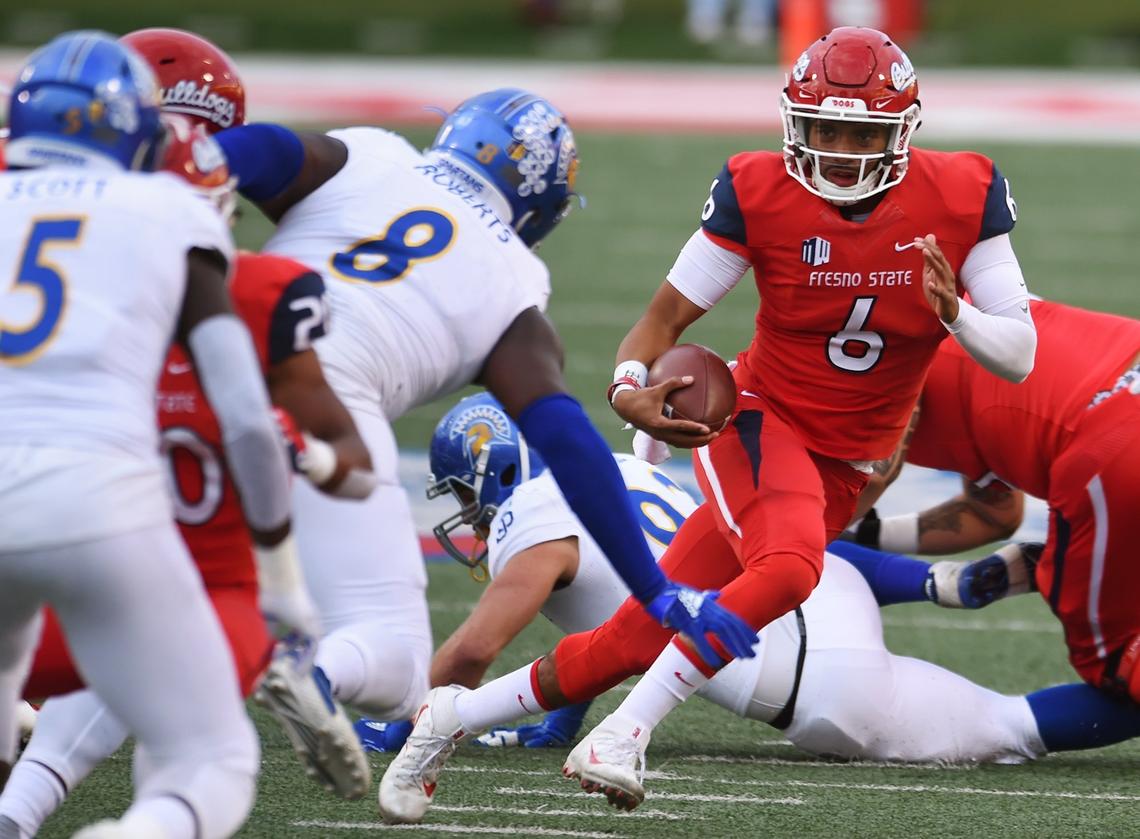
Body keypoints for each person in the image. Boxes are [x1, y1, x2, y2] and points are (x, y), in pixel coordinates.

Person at [391, 25, 1039, 815]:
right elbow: (660, 322)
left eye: (860, 134)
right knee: (792, 568)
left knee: (629, 640)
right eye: (824, 129)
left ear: (901, 131)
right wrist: (628, 388)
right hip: (762, 421)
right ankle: (625, 732)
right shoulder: (759, 189)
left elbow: (1019, 353)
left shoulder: (965, 191)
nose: (838, 151)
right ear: (795, 122)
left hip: (849, 462)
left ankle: (450, 716)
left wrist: (957, 316)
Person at [199, 58, 757, 811]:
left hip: (187, 353)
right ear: (543, 204)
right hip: (321, 408)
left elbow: (265, 148)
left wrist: (182, 171)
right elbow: (569, 442)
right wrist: (655, 592)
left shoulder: (373, 152)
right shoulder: (512, 281)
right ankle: (316, 672)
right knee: (398, 668)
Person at [377, 394, 1121, 768]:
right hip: (818, 584)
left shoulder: (531, 519)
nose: (469, 509)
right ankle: (943, 584)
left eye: (466, 490)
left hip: (814, 679)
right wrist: (560, 720)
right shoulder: (624, 469)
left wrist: (407, 724)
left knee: (1013, 727)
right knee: (781, 549)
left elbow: (473, 652)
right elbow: (613, 611)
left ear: (497, 469)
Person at [0, 116, 375, 837]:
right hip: (173, 568)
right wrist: (287, 580)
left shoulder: (55, 280)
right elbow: (264, 431)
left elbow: (345, 462)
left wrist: (306, 453)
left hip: (70, 550)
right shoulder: (250, 289)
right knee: (207, 752)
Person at [843, 297, 1140, 709]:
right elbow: (991, 514)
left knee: (1112, 661)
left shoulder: (872, 340)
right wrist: (864, 534)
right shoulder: (964, 314)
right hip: (1122, 387)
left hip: (1114, 435)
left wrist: (807, 534)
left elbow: (866, 477)